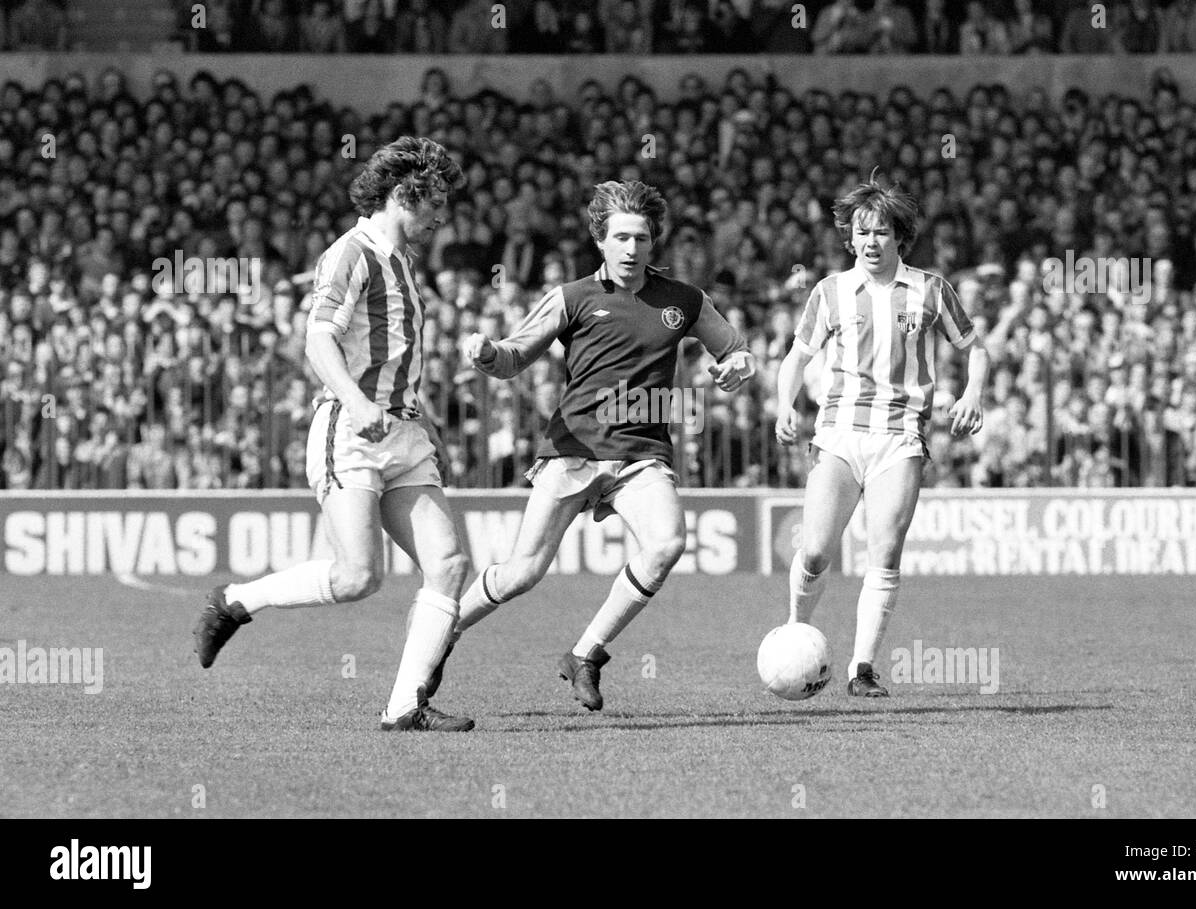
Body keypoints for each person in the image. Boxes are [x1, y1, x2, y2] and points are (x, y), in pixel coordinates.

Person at [193, 136, 478, 733]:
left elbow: (395, 359)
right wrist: (354, 398)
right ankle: (235, 601)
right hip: (349, 429)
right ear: (406, 194)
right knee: (356, 578)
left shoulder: (400, 260)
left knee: (449, 564)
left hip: (403, 434)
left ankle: (404, 708)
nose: (442, 215)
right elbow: (318, 339)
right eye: (436, 202)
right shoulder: (352, 253)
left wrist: (425, 429)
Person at [438, 180, 756, 712]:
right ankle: (444, 632)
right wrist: (487, 354)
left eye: (642, 238)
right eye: (622, 238)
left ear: (654, 243)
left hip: (641, 454)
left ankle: (585, 654)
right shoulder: (572, 298)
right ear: (601, 242)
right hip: (574, 450)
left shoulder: (684, 300)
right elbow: (515, 356)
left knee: (667, 543)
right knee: (523, 573)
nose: (633, 249)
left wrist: (737, 367)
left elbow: (737, 351)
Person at [774, 178, 987, 697]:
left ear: (900, 238)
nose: (871, 241)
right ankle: (796, 632)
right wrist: (784, 403)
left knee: (884, 553)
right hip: (840, 434)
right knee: (818, 551)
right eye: (862, 232)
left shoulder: (931, 289)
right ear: (850, 238)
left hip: (900, 436)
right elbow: (798, 358)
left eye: (882, 232)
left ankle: (861, 669)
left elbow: (975, 348)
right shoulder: (828, 292)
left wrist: (973, 393)